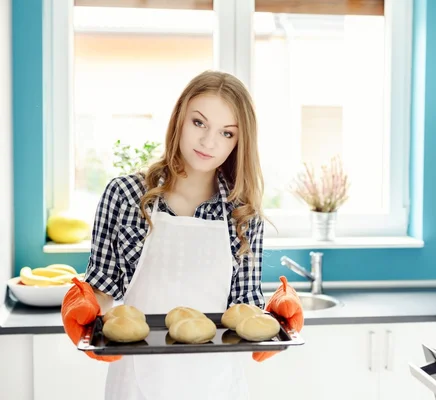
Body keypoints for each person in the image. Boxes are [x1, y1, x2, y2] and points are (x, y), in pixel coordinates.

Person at [60, 70, 303, 400]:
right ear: (179, 119)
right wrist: (84, 303)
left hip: (216, 385)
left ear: (239, 141)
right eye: (199, 123)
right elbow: (104, 287)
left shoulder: (243, 213)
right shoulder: (124, 195)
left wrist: (277, 317)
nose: (208, 142)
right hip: (137, 384)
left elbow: (243, 307)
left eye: (227, 133)